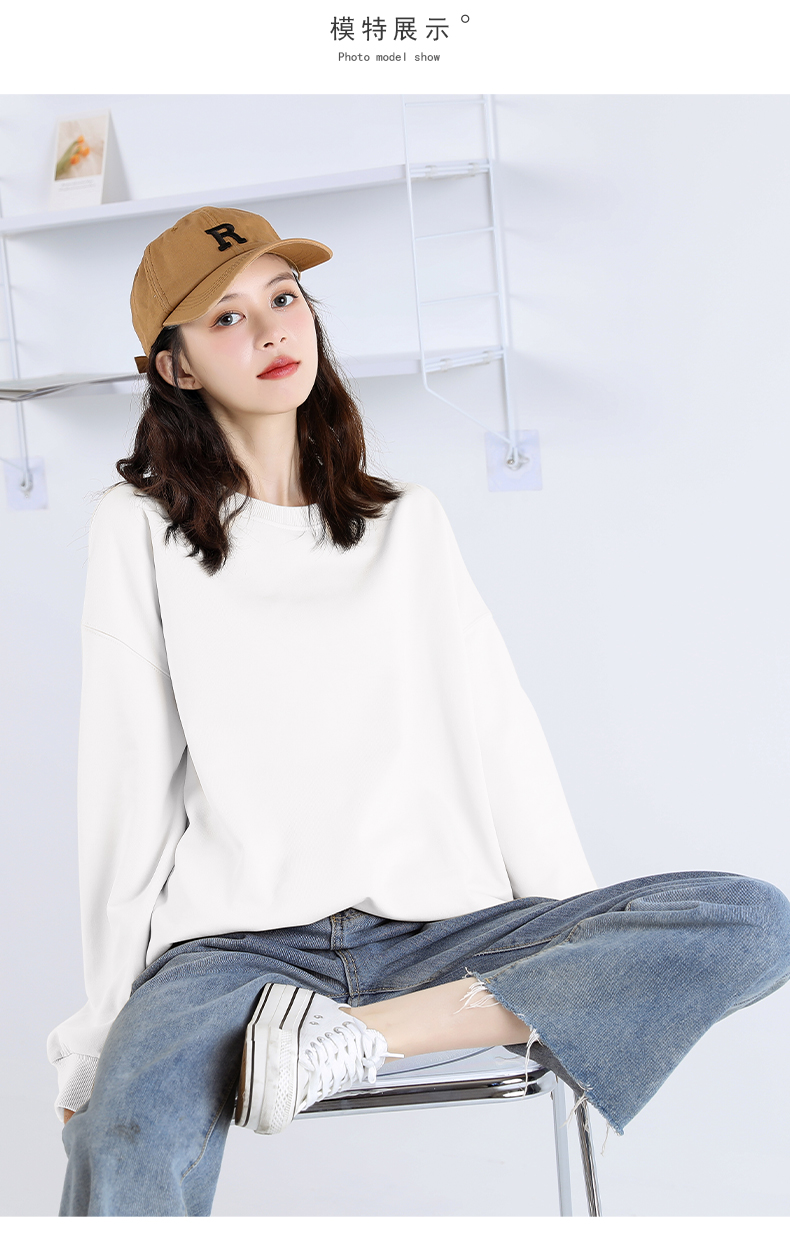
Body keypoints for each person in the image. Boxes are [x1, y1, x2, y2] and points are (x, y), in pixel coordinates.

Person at [50, 206, 790, 1217]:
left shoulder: (409, 524)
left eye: (283, 297)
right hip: (236, 954)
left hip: (442, 935)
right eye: (225, 318)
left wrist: (573, 965)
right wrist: (100, 1031)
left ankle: (355, 1038)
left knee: (754, 918)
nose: (271, 331)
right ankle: (312, 1034)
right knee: (123, 1127)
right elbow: (125, 783)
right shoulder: (138, 531)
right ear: (174, 367)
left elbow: (500, 736)